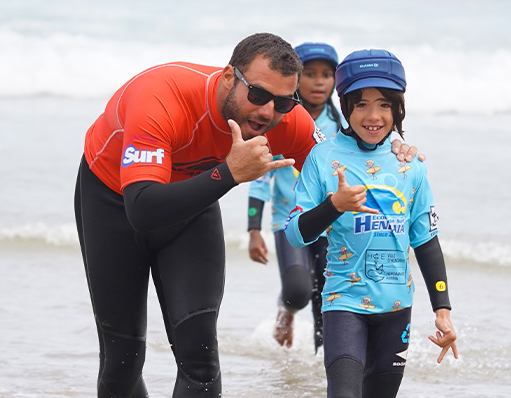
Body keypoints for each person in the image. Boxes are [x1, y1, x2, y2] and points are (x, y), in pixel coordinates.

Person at [74, 33, 421, 398]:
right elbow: (142, 208)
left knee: (200, 360)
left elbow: (350, 183)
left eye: (284, 102)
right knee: (123, 360)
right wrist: (229, 173)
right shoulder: (160, 95)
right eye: (257, 95)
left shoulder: (288, 120)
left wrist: (389, 149)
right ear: (228, 78)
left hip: (191, 211)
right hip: (115, 205)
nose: (267, 112)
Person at [285, 49, 458, 397]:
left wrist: (443, 309)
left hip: (397, 308)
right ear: (346, 106)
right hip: (343, 303)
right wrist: (335, 205)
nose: (373, 116)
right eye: (361, 104)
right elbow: (295, 233)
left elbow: (425, 242)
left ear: (398, 108)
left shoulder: (411, 166)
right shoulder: (323, 157)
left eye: (384, 104)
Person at [247, 42, 345, 352]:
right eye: (311, 74)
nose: (319, 82)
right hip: (288, 222)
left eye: (327, 75)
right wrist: (253, 229)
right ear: (295, 79)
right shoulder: (278, 122)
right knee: (299, 289)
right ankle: (286, 311)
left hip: (329, 223)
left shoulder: (343, 128)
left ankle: (323, 366)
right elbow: (261, 179)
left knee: (326, 297)